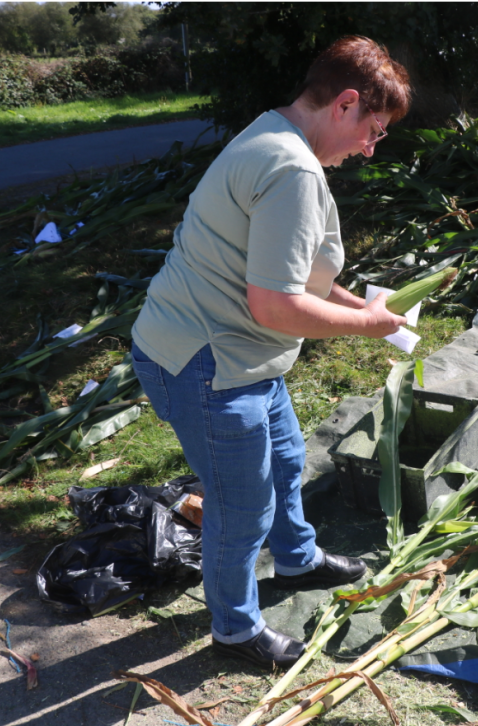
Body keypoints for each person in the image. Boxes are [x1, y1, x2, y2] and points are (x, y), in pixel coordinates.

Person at [130, 36, 412, 668]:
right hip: (205, 361)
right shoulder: (290, 169)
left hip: (238, 352)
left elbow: (297, 270)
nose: (370, 147)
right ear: (344, 104)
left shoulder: (272, 131)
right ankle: (234, 629)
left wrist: (359, 307)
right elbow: (275, 307)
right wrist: (366, 329)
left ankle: (297, 558)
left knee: (286, 458)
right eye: (374, 130)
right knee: (241, 501)